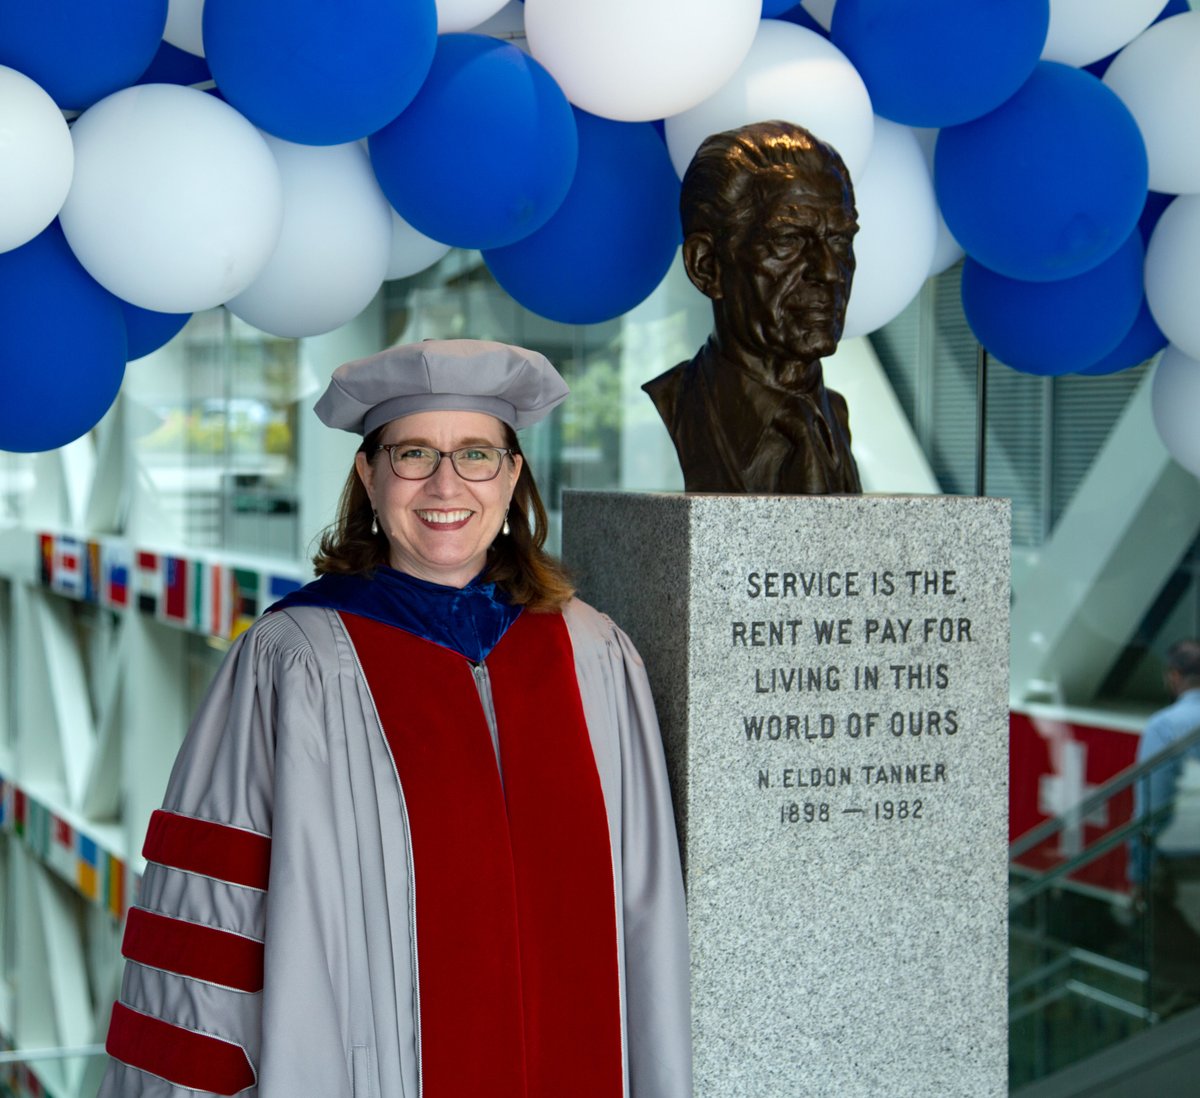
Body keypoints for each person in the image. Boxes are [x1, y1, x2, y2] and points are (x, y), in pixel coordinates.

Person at [98, 339, 693, 1098]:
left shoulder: (594, 657)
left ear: (512, 476)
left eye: (477, 454)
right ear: (369, 476)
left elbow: (648, 928)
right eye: (414, 453)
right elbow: (212, 924)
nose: (447, 483)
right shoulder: (294, 662)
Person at [643, 120, 862, 495]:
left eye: (839, 240)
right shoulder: (677, 409)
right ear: (706, 266)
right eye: (789, 240)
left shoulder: (835, 418)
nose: (829, 271)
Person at [1128, 638, 1200, 1010]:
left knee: (1179, 983)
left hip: (1182, 870)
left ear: (1174, 676)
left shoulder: (1165, 726)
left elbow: (1150, 810)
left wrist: (1139, 874)